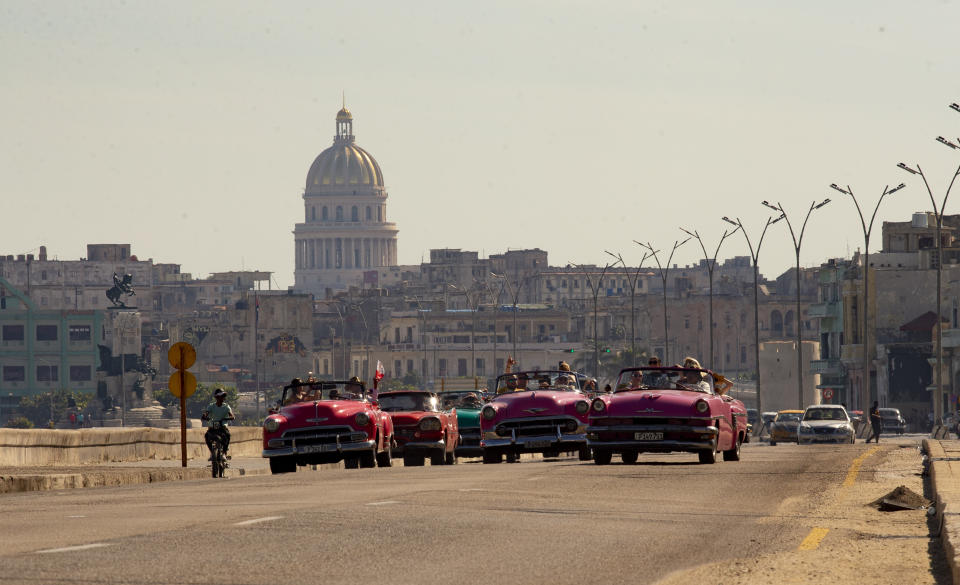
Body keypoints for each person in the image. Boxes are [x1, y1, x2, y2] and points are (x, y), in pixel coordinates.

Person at [202, 389, 235, 459]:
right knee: (207, 436)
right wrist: (205, 416)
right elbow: (206, 413)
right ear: (217, 397)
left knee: (227, 435)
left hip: (222, 427)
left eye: (223, 396)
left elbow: (232, 416)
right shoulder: (211, 406)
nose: (223, 398)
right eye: (221, 396)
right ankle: (212, 452)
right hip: (212, 427)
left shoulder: (226, 407)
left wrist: (227, 418)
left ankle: (224, 453)